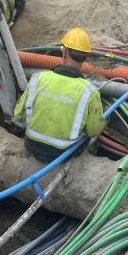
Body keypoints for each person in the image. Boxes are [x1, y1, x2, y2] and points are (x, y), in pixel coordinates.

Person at [14, 28, 104, 163]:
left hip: (32, 146)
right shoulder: (90, 91)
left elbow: (18, 116)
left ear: (64, 52)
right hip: (64, 154)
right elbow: (93, 132)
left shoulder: (37, 78)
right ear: (87, 56)